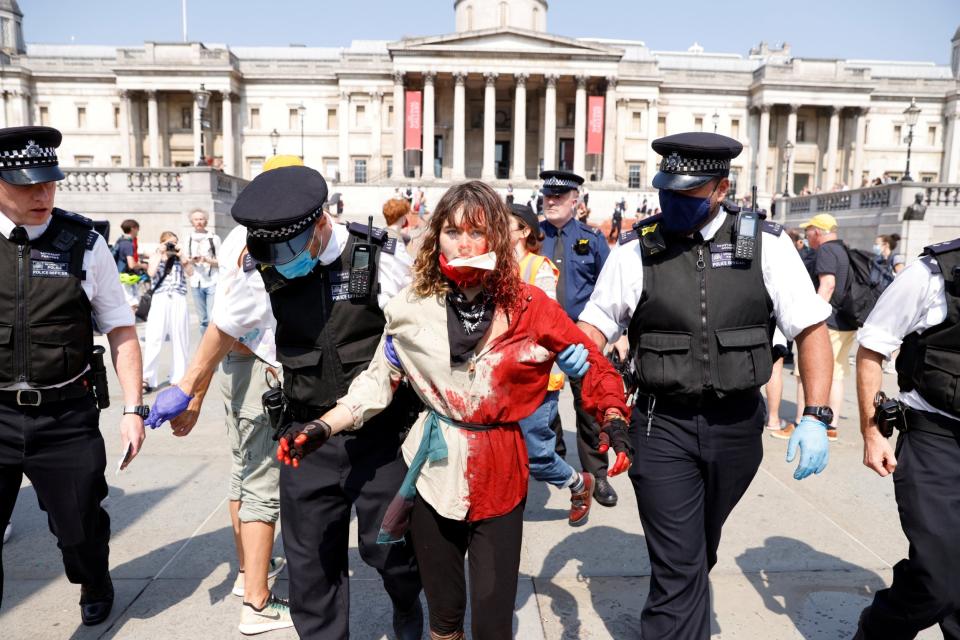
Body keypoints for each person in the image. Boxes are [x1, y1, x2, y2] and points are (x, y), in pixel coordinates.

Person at [283, 181, 631, 640]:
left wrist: (612, 416)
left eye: (477, 232)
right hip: (435, 470)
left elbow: (593, 364)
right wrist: (323, 426)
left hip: (502, 469)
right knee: (444, 618)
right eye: (452, 231)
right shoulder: (412, 308)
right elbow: (376, 382)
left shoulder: (531, 307)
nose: (464, 243)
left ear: (498, 240)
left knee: (492, 620)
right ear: (437, 238)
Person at [578, 131, 835, 639]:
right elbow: (592, 330)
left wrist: (815, 416)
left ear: (721, 189)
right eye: (666, 191)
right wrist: (564, 364)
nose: (672, 202)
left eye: (687, 194)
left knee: (697, 552)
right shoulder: (635, 252)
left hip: (737, 425)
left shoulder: (767, 245)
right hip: (660, 424)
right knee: (678, 567)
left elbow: (810, 329)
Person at [230, 164, 424, 640]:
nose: (284, 259)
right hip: (304, 435)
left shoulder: (379, 255)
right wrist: (189, 387)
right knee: (311, 564)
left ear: (321, 223)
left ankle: (406, 604)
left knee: (391, 550)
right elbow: (224, 323)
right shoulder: (264, 267)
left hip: (380, 436)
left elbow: (417, 332)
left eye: (293, 246)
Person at [145, 155, 308, 635]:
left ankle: (245, 574)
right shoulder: (271, 240)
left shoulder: (239, 234)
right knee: (262, 480)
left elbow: (220, 318)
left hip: (237, 363)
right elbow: (231, 320)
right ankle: (257, 602)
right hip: (259, 362)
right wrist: (187, 388)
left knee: (242, 470)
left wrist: (195, 390)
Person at [0, 126, 147, 625]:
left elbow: (121, 329)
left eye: (49, 183)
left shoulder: (84, 244)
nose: (42, 194)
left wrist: (133, 409)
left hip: (65, 415)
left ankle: (93, 578)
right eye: (26, 185)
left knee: (80, 529)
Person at [853, 237, 960, 639]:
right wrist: (871, 430)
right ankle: (877, 631)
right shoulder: (931, 274)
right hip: (936, 437)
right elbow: (873, 347)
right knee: (937, 579)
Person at [509, 203, 595, 526]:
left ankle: (578, 482)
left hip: (538, 376)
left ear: (524, 231)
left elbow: (545, 322)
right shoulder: (496, 265)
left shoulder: (538, 267)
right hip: (505, 374)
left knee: (538, 454)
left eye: (505, 225)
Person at [538, 169, 618, 507]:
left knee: (589, 406)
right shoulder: (530, 236)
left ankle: (597, 474)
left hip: (580, 335)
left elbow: (610, 286)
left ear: (576, 201)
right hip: (539, 335)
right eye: (547, 196)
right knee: (542, 401)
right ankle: (555, 456)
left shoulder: (592, 237)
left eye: (559, 196)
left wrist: (614, 334)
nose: (552, 201)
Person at [773, 213, 847, 441]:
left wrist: (811, 319)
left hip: (826, 321)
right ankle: (831, 425)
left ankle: (800, 422)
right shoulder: (842, 249)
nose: (807, 237)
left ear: (818, 231)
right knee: (836, 374)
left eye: (809, 232)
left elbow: (827, 284)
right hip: (844, 321)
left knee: (807, 372)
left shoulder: (825, 251)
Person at [141, 231, 192, 393]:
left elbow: (191, 272)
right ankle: (147, 377)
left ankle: (179, 376)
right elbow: (151, 272)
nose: (172, 246)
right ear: (162, 242)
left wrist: (182, 254)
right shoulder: (157, 255)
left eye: (174, 243)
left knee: (180, 337)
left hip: (178, 297)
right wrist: (160, 251)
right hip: (160, 297)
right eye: (169, 243)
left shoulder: (180, 258)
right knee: (154, 337)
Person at [186, 208, 220, 334]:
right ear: (192, 221)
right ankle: (204, 347)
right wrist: (192, 260)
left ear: (206, 221)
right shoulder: (188, 239)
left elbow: (221, 261)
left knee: (212, 317)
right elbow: (185, 260)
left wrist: (206, 260)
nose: (199, 222)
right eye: (196, 219)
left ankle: (214, 347)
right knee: (203, 320)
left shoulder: (213, 238)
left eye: (201, 219)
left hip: (212, 280)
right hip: (196, 281)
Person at [114, 218, 148, 311]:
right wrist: (143, 266)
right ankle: (130, 325)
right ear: (133, 228)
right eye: (138, 229)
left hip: (122, 277)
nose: (138, 231)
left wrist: (142, 255)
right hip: (126, 279)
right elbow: (132, 265)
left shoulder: (121, 240)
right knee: (132, 305)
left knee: (129, 304)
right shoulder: (128, 244)